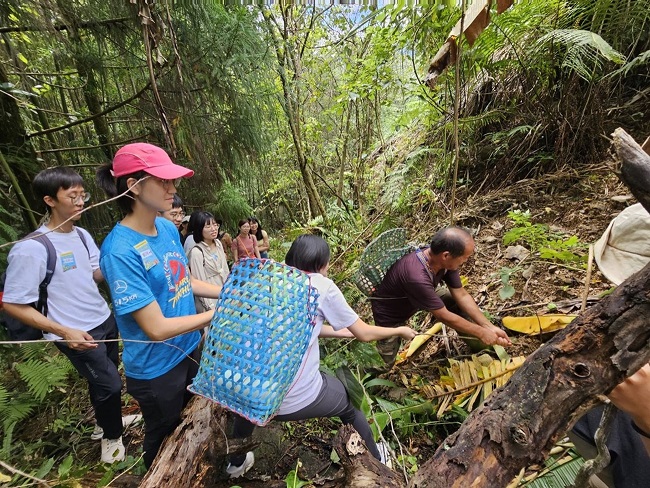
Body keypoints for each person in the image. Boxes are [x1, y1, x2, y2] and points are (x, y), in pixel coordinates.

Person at [227, 234, 417, 478]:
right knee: (350, 407)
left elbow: (305, 327)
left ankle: (236, 463)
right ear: (321, 265)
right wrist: (399, 329)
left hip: (244, 386)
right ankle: (378, 461)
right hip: (287, 400)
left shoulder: (271, 277)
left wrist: (347, 333)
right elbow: (365, 333)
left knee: (248, 406)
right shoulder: (321, 286)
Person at [96, 142, 221, 468]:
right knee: (163, 433)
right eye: (163, 181)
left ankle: (196, 464)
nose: (173, 188)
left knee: (193, 415)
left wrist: (227, 292)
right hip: (156, 369)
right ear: (134, 186)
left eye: (173, 180)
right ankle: (157, 472)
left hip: (190, 348)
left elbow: (181, 281)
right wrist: (213, 315)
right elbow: (155, 328)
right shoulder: (119, 251)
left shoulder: (166, 228)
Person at [2, 167, 126, 464]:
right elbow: (14, 304)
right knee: (110, 384)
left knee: (103, 380)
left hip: (102, 319)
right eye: (72, 196)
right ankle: (111, 438)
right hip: (75, 332)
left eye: (83, 195)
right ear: (50, 200)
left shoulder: (82, 235)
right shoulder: (31, 248)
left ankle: (103, 423)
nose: (81, 201)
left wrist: (121, 262)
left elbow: (95, 274)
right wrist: (62, 331)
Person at [371, 226, 511, 366]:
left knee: (452, 301)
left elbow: (461, 294)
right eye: (465, 257)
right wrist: (481, 332)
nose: (466, 261)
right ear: (446, 255)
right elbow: (443, 316)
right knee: (383, 363)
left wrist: (488, 326)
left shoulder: (443, 262)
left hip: (420, 297)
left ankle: (482, 348)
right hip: (392, 313)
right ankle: (362, 380)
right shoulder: (416, 276)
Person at [187, 211, 229, 312]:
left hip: (226, 295)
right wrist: (210, 307)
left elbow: (226, 270)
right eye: (208, 226)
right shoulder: (197, 252)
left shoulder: (218, 243)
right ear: (199, 229)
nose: (213, 229)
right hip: (211, 302)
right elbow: (199, 282)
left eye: (215, 225)